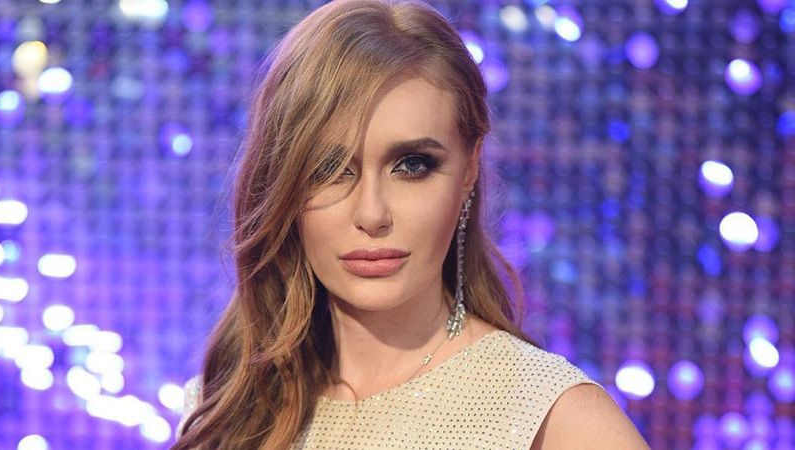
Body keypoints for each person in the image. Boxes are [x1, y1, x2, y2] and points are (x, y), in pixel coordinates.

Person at [173, 0, 651, 448]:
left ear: (469, 169)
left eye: (412, 165)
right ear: (283, 183)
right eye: (328, 169)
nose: (371, 214)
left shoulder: (554, 419)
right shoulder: (226, 409)